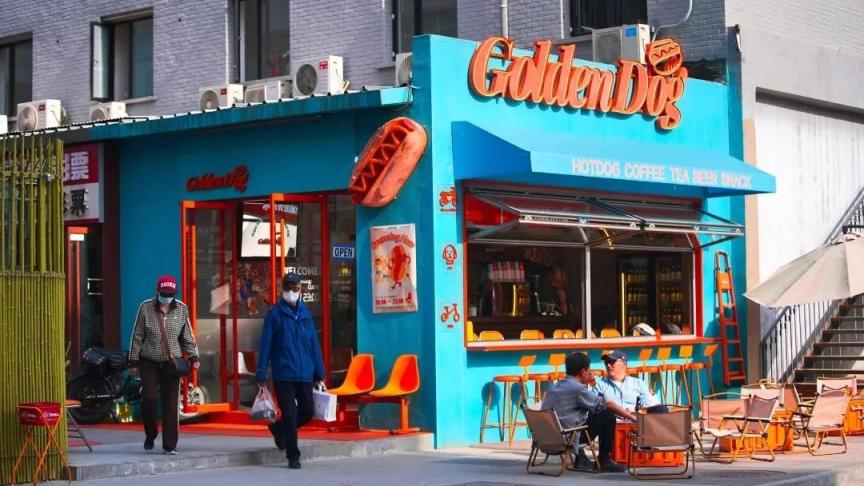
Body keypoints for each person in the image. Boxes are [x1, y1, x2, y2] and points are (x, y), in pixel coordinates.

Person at [256, 272, 325, 470]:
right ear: (282, 289)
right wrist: (261, 373)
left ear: (300, 289)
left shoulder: (306, 315)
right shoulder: (274, 315)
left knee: (308, 411)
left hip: (305, 372)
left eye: (295, 288)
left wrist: (319, 372)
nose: (291, 292)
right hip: (284, 373)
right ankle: (293, 456)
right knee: (289, 414)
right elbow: (266, 345)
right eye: (288, 288)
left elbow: (313, 344)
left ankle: (278, 429)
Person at [128, 275, 200, 455]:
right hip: (149, 361)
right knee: (150, 398)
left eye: (170, 294)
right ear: (157, 292)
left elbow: (187, 336)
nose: (167, 297)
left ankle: (169, 445)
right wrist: (133, 361)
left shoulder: (182, 309)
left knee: (170, 404)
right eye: (164, 294)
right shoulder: (145, 307)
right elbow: (137, 335)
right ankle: (150, 434)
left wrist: (194, 357)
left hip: (172, 362)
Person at [541, 352, 637, 473]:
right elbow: (607, 404)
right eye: (589, 370)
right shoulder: (577, 389)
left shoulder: (558, 385)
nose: (590, 372)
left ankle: (581, 458)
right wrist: (632, 417)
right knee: (607, 415)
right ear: (583, 371)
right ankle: (604, 461)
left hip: (546, 438)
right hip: (567, 438)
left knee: (597, 412)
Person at [592, 350, 661, 412]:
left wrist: (634, 412)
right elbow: (595, 409)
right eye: (606, 362)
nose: (608, 365)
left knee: (660, 409)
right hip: (610, 420)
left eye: (612, 361)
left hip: (634, 419)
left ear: (624, 364)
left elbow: (648, 406)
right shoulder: (600, 386)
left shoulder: (639, 384)